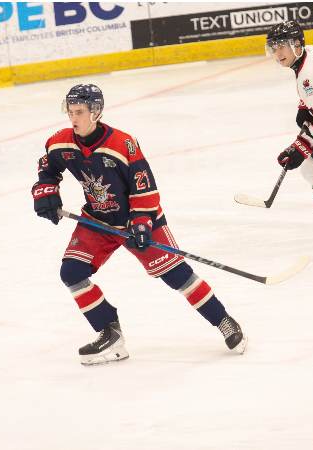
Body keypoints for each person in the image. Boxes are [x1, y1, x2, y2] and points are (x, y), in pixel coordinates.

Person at [31, 84, 248, 366]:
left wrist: (142, 224)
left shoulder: (123, 144)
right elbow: (47, 169)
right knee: (72, 272)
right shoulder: (60, 142)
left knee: (176, 275)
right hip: (97, 220)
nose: (73, 118)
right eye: (70, 112)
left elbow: (144, 188)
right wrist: (46, 192)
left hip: (136, 219)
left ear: (95, 112)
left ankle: (224, 321)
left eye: (80, 112)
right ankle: (110, 333)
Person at [267, 21, 313, 201]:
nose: (278, 53)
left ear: (297, 44)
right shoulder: (310, 53)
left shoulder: (311, 75)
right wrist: (305, 106)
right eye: (274, 48)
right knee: (312, 166)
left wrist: (301, 146)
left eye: (282, 46)